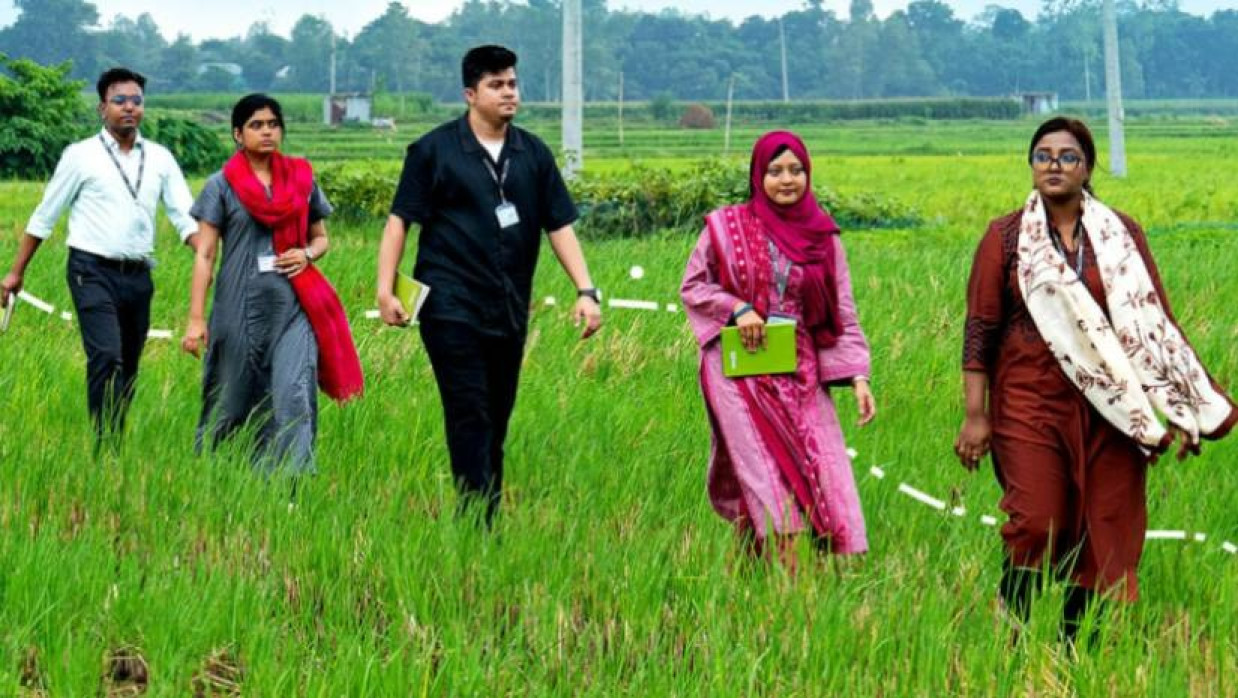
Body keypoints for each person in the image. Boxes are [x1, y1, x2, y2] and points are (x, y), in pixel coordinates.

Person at [955, 117, 1237, 642]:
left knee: (1105, 525)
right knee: (1036, 519)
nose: (1054, 165)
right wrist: (976, 415)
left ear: (1087, 168)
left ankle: (1073, 651)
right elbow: (981, 328)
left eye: (1067, 156)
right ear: (1031, 166)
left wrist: (1179, 409)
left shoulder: (1121, 235)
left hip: (1113, 408)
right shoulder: (1006, 236)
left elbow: (1155, 324)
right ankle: (1010, 639)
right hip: (1029, 401)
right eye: (1043, 155)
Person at [375, 45, 602, 524]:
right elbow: (401, 221)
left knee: (497, 416)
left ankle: (485, 510)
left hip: (508, 307)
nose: (508, 93)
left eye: (513, 84)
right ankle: (476, 518)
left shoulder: (533, 154)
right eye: (497, 85)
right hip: (450, 305)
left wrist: (585, 290)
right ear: (470, 93)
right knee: (469, 411)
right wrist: (385, 289)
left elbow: (558, 224)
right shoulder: (433, 151)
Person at [680, 131, 876, 568]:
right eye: (775, 171)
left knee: (818, 470)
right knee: (765, 475)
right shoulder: (725, 228)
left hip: (800, 370)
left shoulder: (823, 238)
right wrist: (737, 308)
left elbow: (841, 310)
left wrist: (858, 376)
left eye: (796, 170)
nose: (786, 180)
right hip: (739, 372)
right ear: (757, 176)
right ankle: (791, 597)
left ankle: (751, 587)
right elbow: (693, 286)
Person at [0, 67, 198, 452]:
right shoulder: (81, 156)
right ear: (101, 108)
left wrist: (207, 250)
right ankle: (102, 443)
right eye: (119, 100)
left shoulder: (159, 158)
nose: (129, 108)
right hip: (90, 271)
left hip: (139, 276)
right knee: (106, 356)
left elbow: (184, 216)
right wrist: (15, 273)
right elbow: (45, 215)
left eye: (136, 101)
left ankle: (114, 438)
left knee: (129, 365)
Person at [181, 94, 363, 474]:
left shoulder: (302, 179)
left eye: (273, 124)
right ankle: (218, 473)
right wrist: (197, 319)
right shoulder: (220, 187)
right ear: (237, 134)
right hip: (238, 309)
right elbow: (205, 254)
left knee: (293, 394)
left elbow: (321, 238)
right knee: (231, 401)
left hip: (294, 307)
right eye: (256, 125)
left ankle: (291, 483)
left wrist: (307, 254)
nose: (267, 132)